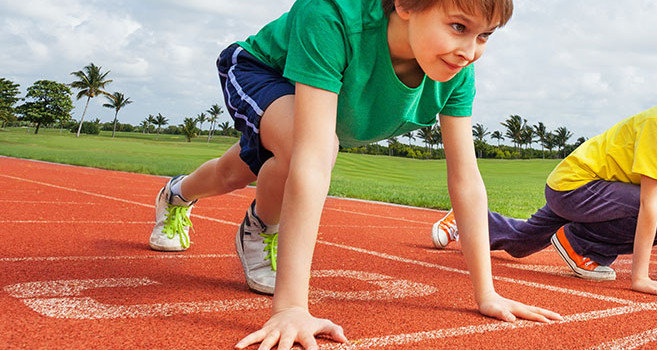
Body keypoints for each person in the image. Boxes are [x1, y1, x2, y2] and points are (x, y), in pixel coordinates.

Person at [145, 0, 561, 348]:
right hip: (264, 71)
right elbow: (310, 158)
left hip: (320, 112)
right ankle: (259, 229)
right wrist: (291, 308)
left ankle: (178, 194)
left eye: (484, 35)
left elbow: (466, 179)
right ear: (404, 5)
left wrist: (485, 293)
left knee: (233, 172)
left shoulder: (456, 71)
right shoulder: (331, 16)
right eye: (458, 26)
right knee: (311, 151)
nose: (469, 51)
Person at [431, 47, 657, 297]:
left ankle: (466, 219)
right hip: (577, 187)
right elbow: (650, 204)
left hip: (596, 194)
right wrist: (639, 277)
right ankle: (581, 244)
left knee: (521, 243)